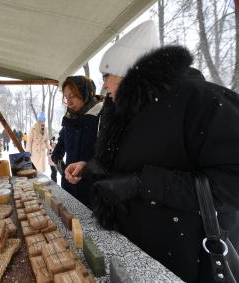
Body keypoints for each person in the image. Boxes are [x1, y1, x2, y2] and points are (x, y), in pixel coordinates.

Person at [65, 20, 239, 282]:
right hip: (133, 248)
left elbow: (231, 184)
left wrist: (143, 184)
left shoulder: (201, 101)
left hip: (184, 259)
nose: (104, 88)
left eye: (106, 77)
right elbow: (129, 158)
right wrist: (91, 167)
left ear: (128, 72)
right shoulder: (125, 107)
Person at [51, 76, 102, 209]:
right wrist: (64, 172)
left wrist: (86, 169)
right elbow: (57, 153)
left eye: (72, 96)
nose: (69, 102)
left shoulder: (102, 117)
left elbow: (108, 160)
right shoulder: (69, 119)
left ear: (86, 92)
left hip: (94, 193)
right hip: (69, 190)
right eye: (66, 97)